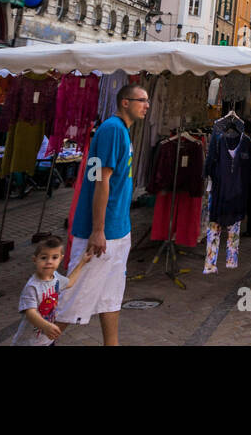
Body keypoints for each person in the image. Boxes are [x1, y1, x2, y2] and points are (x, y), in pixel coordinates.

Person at [55, 84, 148, 345]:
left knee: (110, 295)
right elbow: (100, 180)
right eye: (141, 100)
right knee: (72, 298)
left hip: (118, 229)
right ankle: (40, 340)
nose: (147, 105)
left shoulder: (123, 132)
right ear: (125, 103)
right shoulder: (112, 130)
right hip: (100, 232)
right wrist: (98, 229)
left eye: (147, 100)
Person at [12, 236, 94, 346]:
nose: (49, 262)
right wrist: (46, 326)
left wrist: (82, 262)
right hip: (28, 343)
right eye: (44, 258)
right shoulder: (32, 287)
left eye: (54, 257)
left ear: (61, 259)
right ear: (35, 259)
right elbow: (30, 313)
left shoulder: (55, 277)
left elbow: (69, 282)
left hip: (46, 340)